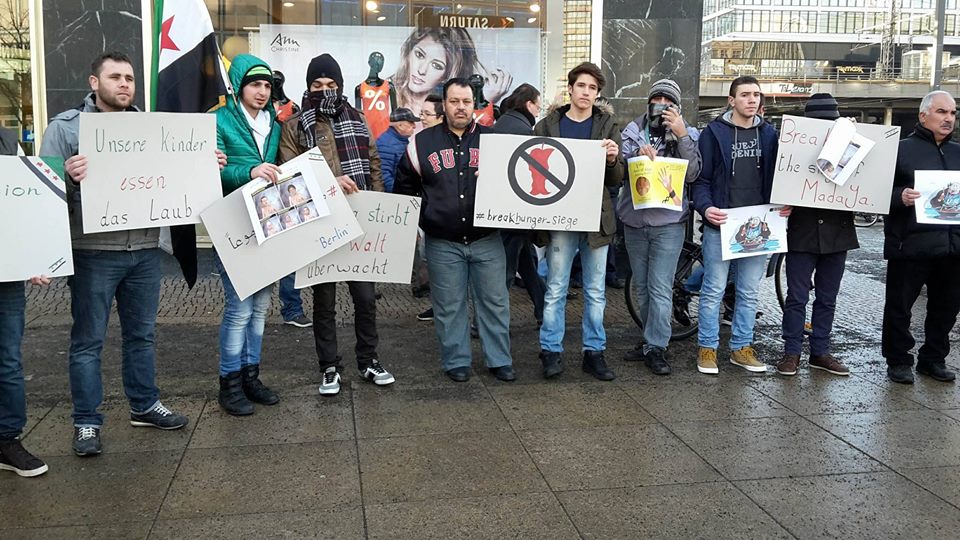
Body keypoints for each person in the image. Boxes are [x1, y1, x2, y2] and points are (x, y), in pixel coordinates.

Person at [39, 52, 189, 456]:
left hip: (144, 250)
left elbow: (175, 177)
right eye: (115, 77)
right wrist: (67, 177)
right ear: (94, 82)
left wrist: (202, 167)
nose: (125, 84)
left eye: (130, 78)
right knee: (88, 341)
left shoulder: (154, 130)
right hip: (93, 253)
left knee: (141, 336)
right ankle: (86, 421)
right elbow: (43, 194)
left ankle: (144, 405)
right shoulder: (66, 128)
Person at [279, 53, 395, 395]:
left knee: (366, 299)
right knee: (324, 303)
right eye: (317, 85)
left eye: (331, 84)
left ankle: (369, 360)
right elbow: (290, 175)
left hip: (359, 221)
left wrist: (377, 206)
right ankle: (329, 367)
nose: (324, 89)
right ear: (308, 86)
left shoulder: (357, 118)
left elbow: (373, 162)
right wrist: (332, 182)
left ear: (341, 86)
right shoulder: (295, 125)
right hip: (320, 224)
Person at [394, 78, 515, 383]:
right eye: (454, 101)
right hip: (442, 240)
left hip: (486, 237)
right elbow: (405, 187)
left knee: (495, 302)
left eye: (466, 101)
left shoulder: (494, 141)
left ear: (474, 104)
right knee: (449, 306)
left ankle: (499, 359)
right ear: (444, 104)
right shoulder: (421, 143)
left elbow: (515, 186)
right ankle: (456, 361)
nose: (461, 107)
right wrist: (422, 219)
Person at [691, 75, 789, 375]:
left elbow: (782, 176)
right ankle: (707, 348)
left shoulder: (770, 135)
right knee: (713, 289)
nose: (752, 100)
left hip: (760, 226)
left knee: (748, 292)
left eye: (756, 95)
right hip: (722, 224)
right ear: (731, 100)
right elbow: (701, 179)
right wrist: (706, 208)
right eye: (745, 94)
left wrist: (786, 201)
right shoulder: (713, 133)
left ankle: (741, 348)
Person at [535, 62, 625, 381]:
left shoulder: (608, 125)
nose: (586, 92)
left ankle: (594, 351)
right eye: (582, 86)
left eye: (592, 88)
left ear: (597, 94)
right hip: (560, 216)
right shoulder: (548, 125)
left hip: (596, 217)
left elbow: (615, 179)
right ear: (570, 89)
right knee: (556, 287)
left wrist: (613, 159)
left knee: (595, 290)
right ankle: (550, 350)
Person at [211, 54, 284, 415]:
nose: (262, 91)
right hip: (234, 222)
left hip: (266, 222)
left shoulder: (276, 124)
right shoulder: (218, 120)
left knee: (260, 309)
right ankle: (230, 382)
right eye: (255, 84)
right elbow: (210, 170)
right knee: (239, 310)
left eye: (267, 85)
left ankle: (251, 376)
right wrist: (250, 171)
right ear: (239, 86)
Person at [618, 79, 702, 375]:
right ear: (649, 103)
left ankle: (657, 346)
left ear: (677, 107)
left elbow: (693, 174)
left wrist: (681, 135)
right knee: (642, 287)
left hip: (668, 223)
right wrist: (635, 157)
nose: (662, 106)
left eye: (669, 102)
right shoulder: (632, 131)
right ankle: (649, 341)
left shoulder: (688, 132)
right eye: (657, 100)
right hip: (635, 221)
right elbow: (618, 169)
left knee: (660, 287)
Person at [882, 90, 960, 384]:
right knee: (899, 308)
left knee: (946, 308)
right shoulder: (900, 150)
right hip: (910, 244)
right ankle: (898, 360)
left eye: (952, 113)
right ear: (923, 115)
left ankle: (933, 359)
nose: (948, 118)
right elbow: (874, 193)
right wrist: (899, 196)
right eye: (942, 112)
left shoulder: (958, 153)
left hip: (952, 246)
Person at [777, 93, 858, 377]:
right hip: (803, 231)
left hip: (838, 232)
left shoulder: (853, 145)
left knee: (827, 297)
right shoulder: (794, 146)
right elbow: (783, 178)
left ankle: (820, 352)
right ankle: (792, 352)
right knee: (797, 296)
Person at [494, 83, 546, 327]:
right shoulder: (525, 131)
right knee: (506, 271)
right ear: (529, 104)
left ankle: (543, 309)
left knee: (526, 265)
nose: (539, 111)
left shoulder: (500, 125)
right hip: (516, 213)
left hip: (501, 210)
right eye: (538, 105)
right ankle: (488, 323)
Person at [392, 28, 511, 121]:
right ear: (408, 52)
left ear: (447, 75)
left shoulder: (450, 110)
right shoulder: (386, 94)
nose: (421, 70)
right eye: (419, 55)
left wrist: (485, 102)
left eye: (436, 65)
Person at [376, 107, 418, 193]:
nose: (414, 126)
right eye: (411, 122)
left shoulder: (400, 140)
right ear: (400, 126)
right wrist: (399, 195)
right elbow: (384, 175)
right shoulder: (386, 144)